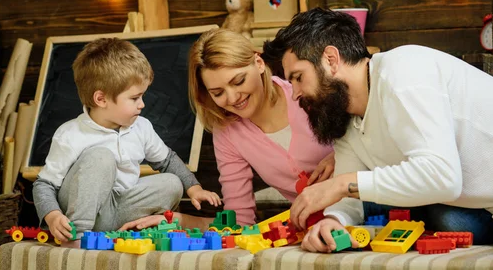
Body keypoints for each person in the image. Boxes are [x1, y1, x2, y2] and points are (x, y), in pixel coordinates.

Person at [263, 7, 493, 254]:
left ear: (331, 60)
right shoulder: (344, 117)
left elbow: (442, 177)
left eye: (298, 77)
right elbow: (348, 191)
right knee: (443, 218)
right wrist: (334, 220)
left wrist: (341, 184)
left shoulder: (403, 72)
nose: (295, 94)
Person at [119, 29, 335, 232]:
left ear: (259, 63)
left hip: (363, 205)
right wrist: (178, 221)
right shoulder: (228, 133)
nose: (232, 98)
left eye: (239, 81)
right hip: (321, 230)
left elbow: (365, 141)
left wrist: (340, 155)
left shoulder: (305, 91)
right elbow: (239, 222)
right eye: (218, 92)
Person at [32, 38, 221, 247]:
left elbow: (167, 161)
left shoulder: (141, 127)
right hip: (85, 212)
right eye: (134, 98)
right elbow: (44, 184)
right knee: (100, 156)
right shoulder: (71, 134)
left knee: (171, 183)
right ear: (101, 99)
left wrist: (194, 188)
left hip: (122, 208)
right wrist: (52, 215)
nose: (142, 104)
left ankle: (134, 228)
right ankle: (78, 237)